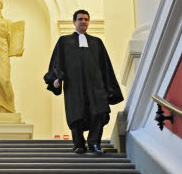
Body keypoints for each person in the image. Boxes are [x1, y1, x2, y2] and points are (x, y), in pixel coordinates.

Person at [44, 10, 123, 154]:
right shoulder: (64, 41)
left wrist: (108, 87)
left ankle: (94, 144)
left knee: (99, 112)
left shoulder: (96, 42)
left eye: (86, 19)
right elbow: (57, 62)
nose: (83, 22)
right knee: (77, 115)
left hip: (96, 86)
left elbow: (105, 66)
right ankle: (79, 144)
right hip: (74, 86)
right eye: (80, 19)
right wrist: (55, 79)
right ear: (74, 22)